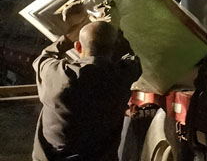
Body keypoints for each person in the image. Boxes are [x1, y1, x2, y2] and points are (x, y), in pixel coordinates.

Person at [33, 21, 141, 161]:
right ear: (114, 48)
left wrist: (67, 38)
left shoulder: (58, 75)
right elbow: (134, 60)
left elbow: (43, 58)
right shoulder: (122, 76)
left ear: (78, 47)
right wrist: (116, 30)